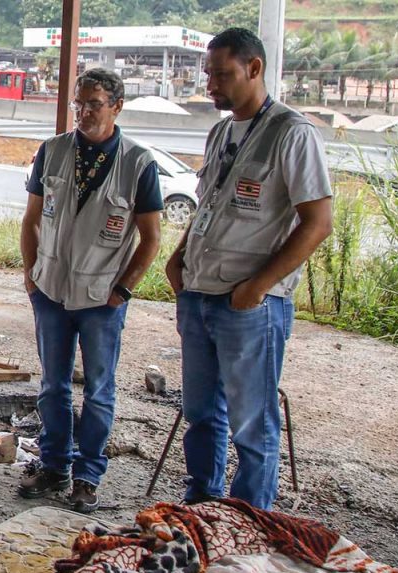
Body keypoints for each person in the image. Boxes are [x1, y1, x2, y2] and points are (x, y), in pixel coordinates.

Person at [166, 28, 333, 511]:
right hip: (199, 293)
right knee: (201, 414)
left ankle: (248, 522)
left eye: (222, 74)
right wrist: (179, 256)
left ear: (254, 68)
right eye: (208, 75)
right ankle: (202, 508)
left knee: (252, 424)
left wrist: (258, 287)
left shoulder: (292, 133)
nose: (211, 85)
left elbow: (317, 223)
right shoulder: (221, 132)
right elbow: (209, 205)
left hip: (250, 305)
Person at [17, 68, 164, 513]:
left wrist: (124, 289)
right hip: (52, 290)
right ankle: (54, 465)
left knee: (99, 389)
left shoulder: (138, 163)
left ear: (117, 106)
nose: (84, 112)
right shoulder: (54, 151)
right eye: (78, 104)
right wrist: (30, 273)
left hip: (103, 297)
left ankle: (87, 476)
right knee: (52, 386)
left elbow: (151, 237)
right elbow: (31, 219)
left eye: (94, 104)